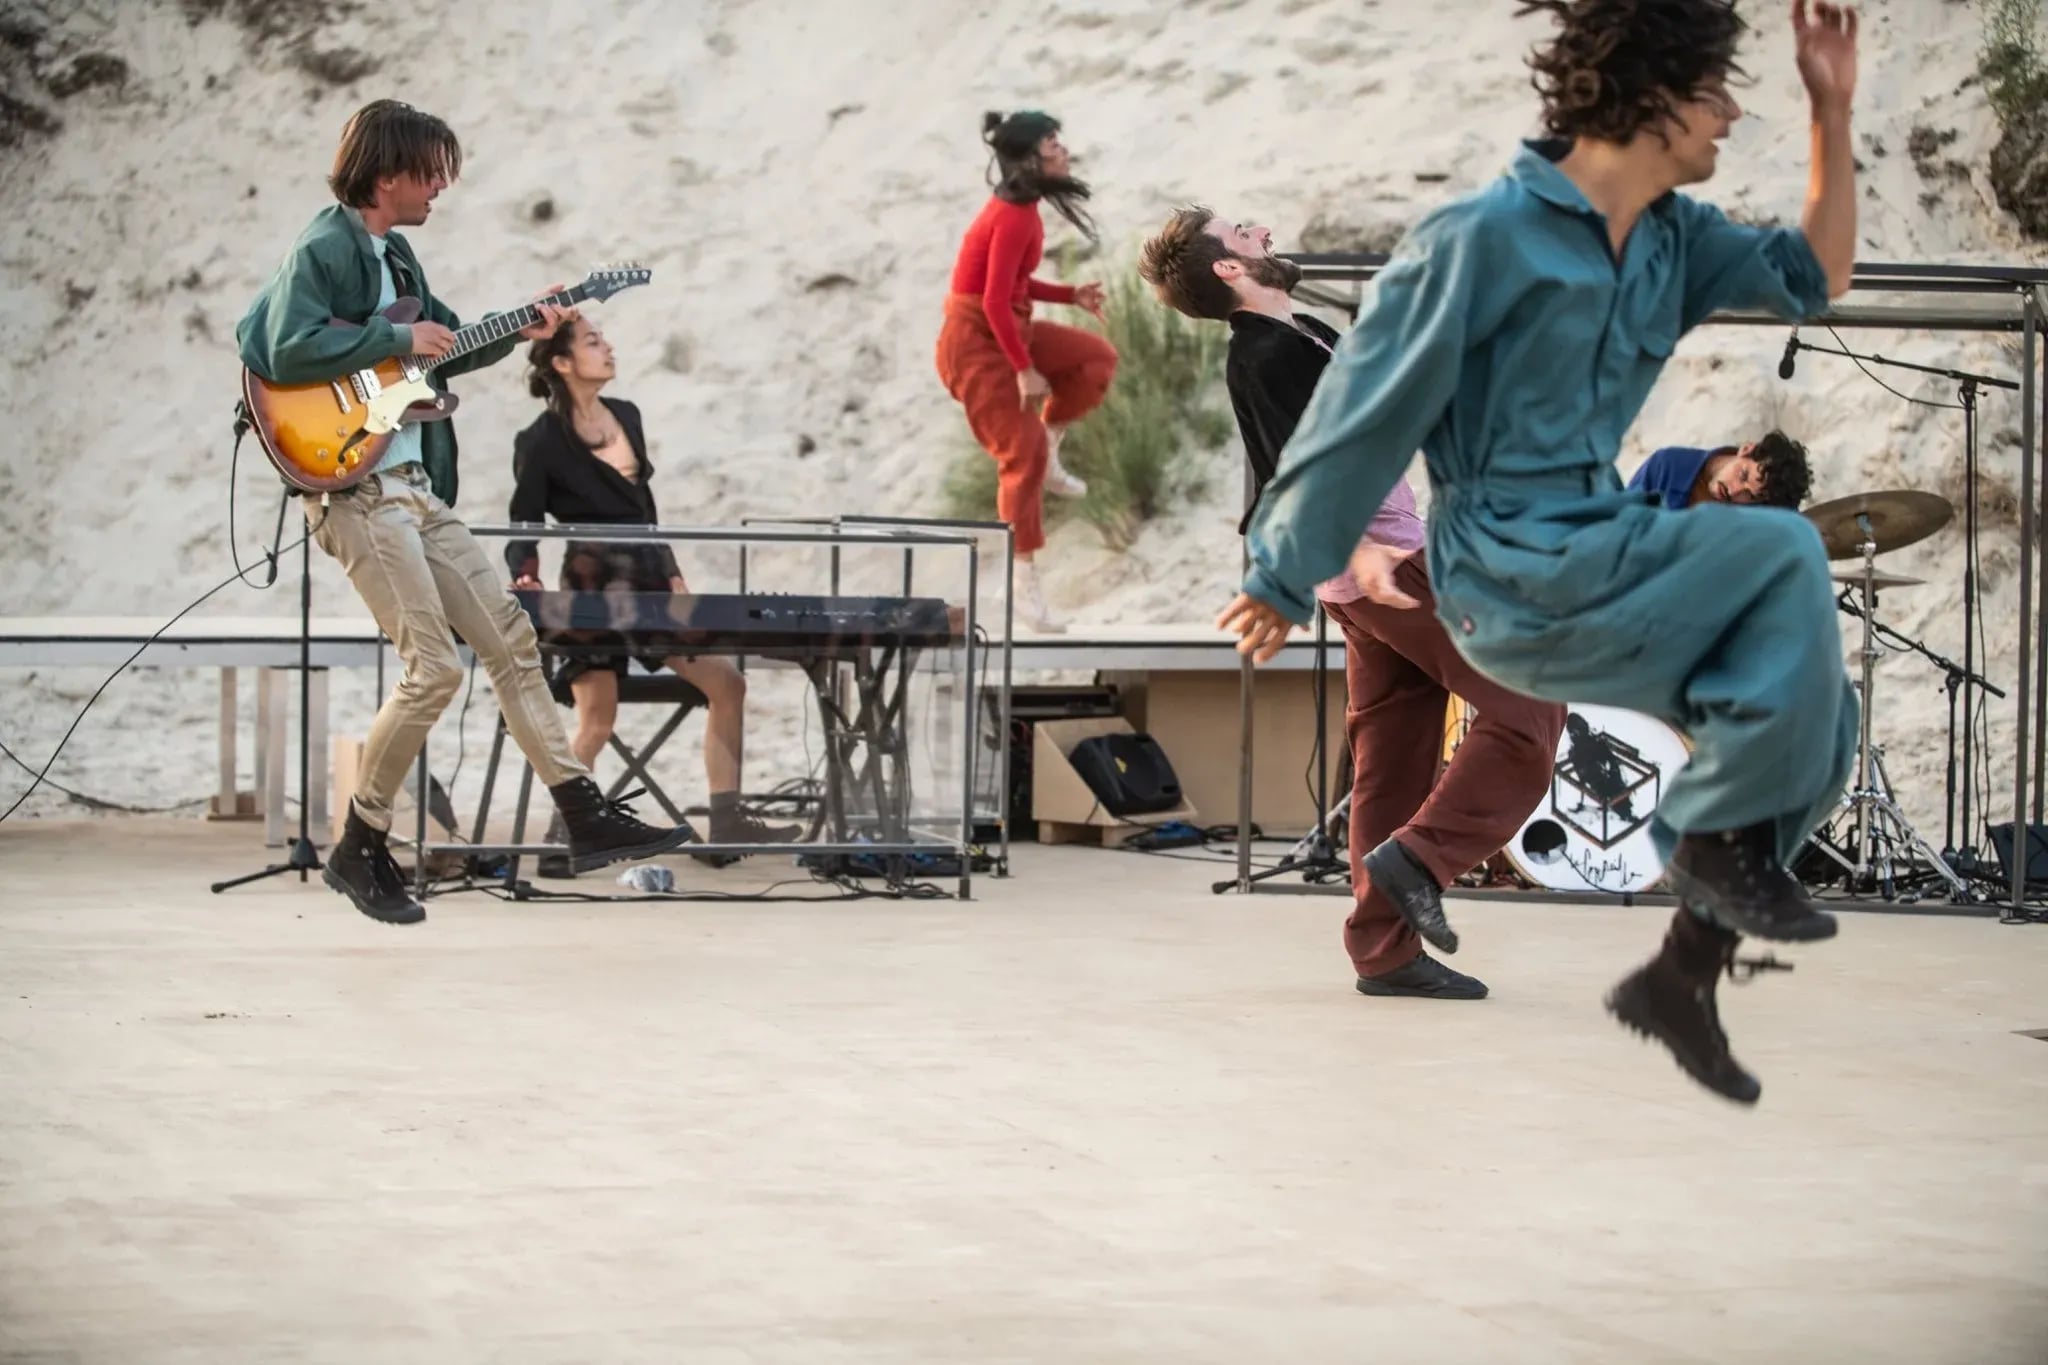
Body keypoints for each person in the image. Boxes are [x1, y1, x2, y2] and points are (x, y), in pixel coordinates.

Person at [1217, 0, 1863, 1105]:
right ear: (1650, 99)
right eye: (1715, 94)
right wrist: (1278, 574)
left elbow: (1817, 277)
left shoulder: (1673, 238)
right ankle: (1701, 850)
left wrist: (1830, 110)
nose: (1731, 115)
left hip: (1599, 544)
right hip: (1496, 566)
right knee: (1780, 554)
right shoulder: (1477, 241)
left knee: (1825, 721)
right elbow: (1358, 415)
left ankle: (1678, 975)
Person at [237, 99, 691, 926]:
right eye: (431, 172)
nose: (441, 186)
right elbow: (278, 348)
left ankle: (583, 811)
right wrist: (393, 342)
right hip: (355, 489)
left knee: (512, 641)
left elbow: (442, 345)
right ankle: (359, 845)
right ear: (387, 175)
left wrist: (526, 325)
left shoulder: (397, 257)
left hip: (411, 486)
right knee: (435, 667)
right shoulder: (325, 247)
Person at [1138, 208, 1565, 1001]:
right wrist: (1361, 549)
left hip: (1371, 570)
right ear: (1229, 270)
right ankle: (1420, 859)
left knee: (1393, 760)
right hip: (1384, 568)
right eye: (1242, 232)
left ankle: (1384, 951)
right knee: (1529, 709)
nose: (1261, 229)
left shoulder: (1300, 335)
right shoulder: (1264, 355)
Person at [509, 316, 801, 874]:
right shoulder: (540, 440)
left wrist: (670, 571)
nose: (608, 346)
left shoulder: (629, 416)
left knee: (727, 683)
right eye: (593, 342)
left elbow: (645, 510)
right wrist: (526, 574)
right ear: (564, 363)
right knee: (598, 718)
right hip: (593, 586)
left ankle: (726, 821)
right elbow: (523, 519)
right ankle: (561, 834)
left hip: (647, 579)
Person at [935, 109, 1119, 633]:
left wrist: (1069, 295)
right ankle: (1021, 584)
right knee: (1021, 453)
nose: (1063, 150)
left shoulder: (1023, 209)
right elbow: (992, 301)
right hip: (975, 346)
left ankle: (1053, 447)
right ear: (1027, 158)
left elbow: (1012, 282)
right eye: (1052, 142)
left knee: (1094, 359)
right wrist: (1022, 369)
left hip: (1007, 326)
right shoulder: (1012, 216)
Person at [1629, 429, 1813, 509]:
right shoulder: (1667, 466)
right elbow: (1615, 523)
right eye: (1742, 475)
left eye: (1750, 495)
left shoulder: (1763, 513)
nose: (1734, 491)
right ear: (1746, 449)